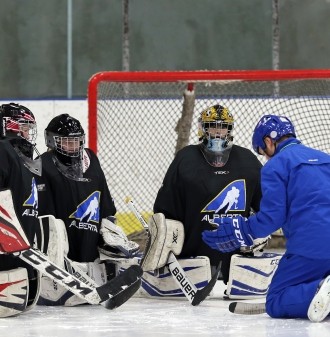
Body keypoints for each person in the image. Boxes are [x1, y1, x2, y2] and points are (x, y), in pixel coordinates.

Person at [202, 114, 330, 322]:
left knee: (276, 300)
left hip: (311, 247)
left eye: (264, 153)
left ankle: (315, 291)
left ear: (268, 142)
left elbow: (272, 218)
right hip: (320, 248)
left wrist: (241, 230)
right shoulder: (326, 158)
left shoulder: (276, 165)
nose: (266, 158)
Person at [152, 104, 265, 296]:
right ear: (203, 128)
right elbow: (166, 205)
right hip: (192, 261)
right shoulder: (186, 158)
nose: (218, 132)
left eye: (223, 127)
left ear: (230, 129)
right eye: (212, 126)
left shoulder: (248, 160)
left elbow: (264, 205)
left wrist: (262, 231)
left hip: (237, 265)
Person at [36, 113, 140, 306]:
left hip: (88, 241)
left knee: (106, 241)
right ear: (52, 141)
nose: (73, 146)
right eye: (67, 142)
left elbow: (105, 203)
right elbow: (43, 219)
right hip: (61, 251)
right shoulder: (42, 165)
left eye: (76, 141)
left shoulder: (90, 159)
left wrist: (109, 229)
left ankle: (103, 278)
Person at [0, 102, 41, 316]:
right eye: (23, 127)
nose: (27, 133)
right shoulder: (3, 149)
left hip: (19, 251)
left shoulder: (25, 158)